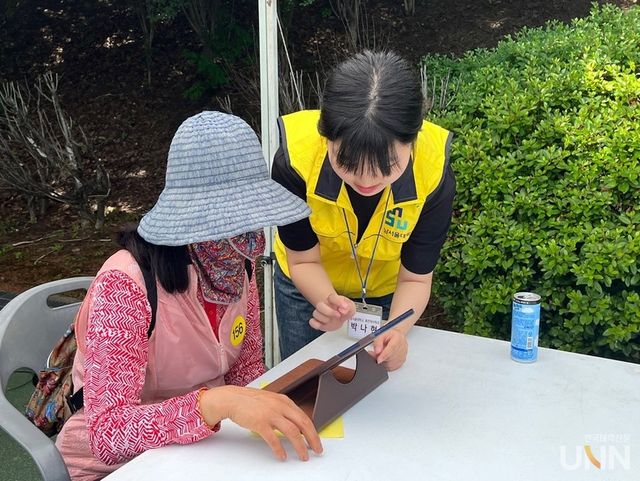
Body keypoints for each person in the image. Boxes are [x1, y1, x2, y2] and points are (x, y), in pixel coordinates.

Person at [55, 111, 322, 481]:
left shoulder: (238, 266)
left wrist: (266, 406)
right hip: (121, 467)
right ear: (187, 217)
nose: (247, 237)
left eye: (251, 216)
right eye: (224, 220)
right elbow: (108, 434)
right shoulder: (125, 285)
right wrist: (214, 403)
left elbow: (246, 369)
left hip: (206, 449)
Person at [272, 51, 456, 370]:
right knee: (304, 380)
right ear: (326, 137)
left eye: (386, 166)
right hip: (304, 285)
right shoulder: (295, 163)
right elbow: (302, 259)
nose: (366, 181)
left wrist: (395, 331)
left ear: (412, 140)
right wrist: (327, 302)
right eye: (347, 163)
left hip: (389, 290)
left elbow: (415, 279)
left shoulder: (434, 175)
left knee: (377, 380)